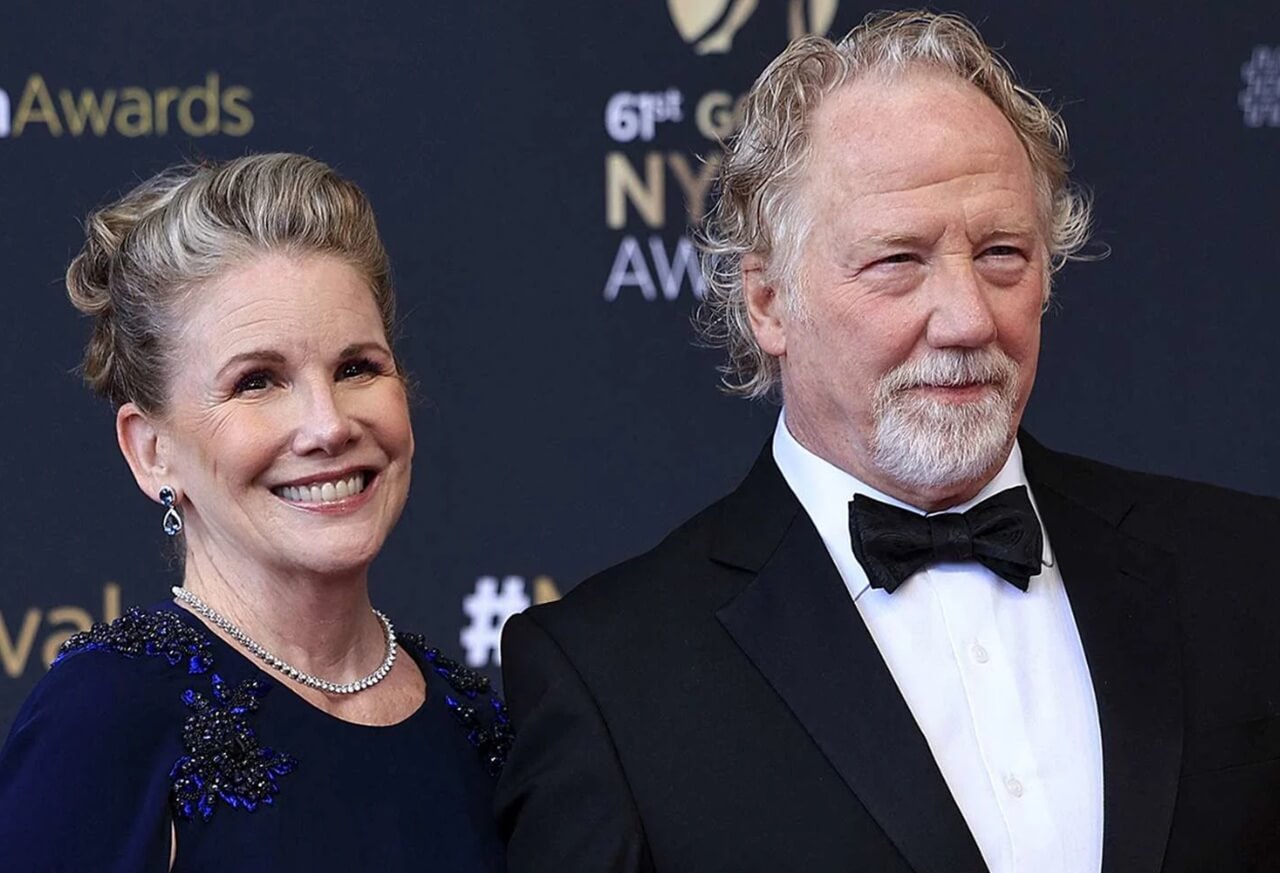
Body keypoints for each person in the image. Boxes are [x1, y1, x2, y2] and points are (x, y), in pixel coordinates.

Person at [495, 11, 1280, 873]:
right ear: (768, 303)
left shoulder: (1247, 572)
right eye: (898, 260)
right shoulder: (612, 678)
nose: (968, 318)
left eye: (1002, 253)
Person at [0, 154, 509, 871]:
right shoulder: (105, 719)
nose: (328, 425)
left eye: (356, 368)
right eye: (257, 381)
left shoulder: (479, 728)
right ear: (152, 451)